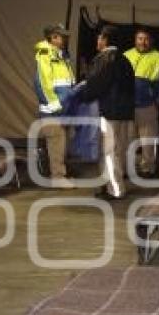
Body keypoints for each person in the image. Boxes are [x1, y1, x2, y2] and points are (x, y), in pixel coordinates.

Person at [78, 25, 135, 199]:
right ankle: (113, 185)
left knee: (109, 153)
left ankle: (115, 190)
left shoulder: (104, 59)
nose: (97, 41)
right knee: (118, 150)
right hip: (125, 113)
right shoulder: (125, 60)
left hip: (109, 112)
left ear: (105, 40)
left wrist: (82, 94)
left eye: (99, 38)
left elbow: (95, 85)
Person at [124, 28, 159, 176]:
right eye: (139, 38)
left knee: (148, 141)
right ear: (135, 40)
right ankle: (127, 168)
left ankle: (147, 168)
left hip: (147, 107)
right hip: (127, 107)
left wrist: (157, 102)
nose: (142, 42)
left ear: (151, 41)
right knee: (126, 140)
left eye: (146, 39)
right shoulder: (126, 56)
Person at [34, 23, 75, 189]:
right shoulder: (45, 55)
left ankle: (59, 173)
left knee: (61, 144)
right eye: (61, 36)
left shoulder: (60, 56)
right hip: (53, 111)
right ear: (52, 37)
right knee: (56, 143)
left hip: (63, 110)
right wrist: (55, 105)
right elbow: (42, 83)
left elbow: (67, 82)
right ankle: (57, 177)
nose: (64, 39)